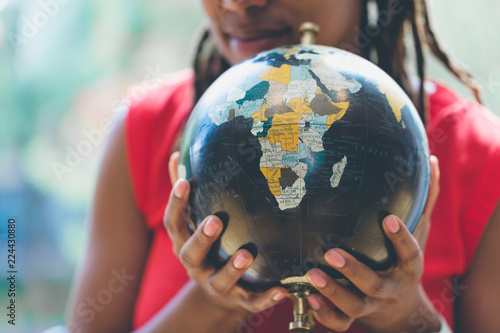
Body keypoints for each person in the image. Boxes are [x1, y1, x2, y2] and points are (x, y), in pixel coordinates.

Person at [67, 0, 500, 332]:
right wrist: (211, 304)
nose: (238, 4)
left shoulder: (480, 156)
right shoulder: (144, 129)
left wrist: (408, 318)